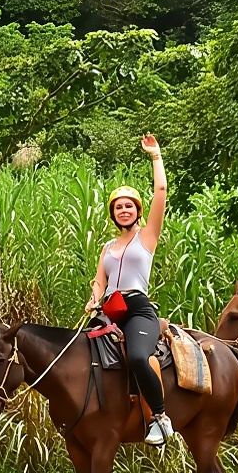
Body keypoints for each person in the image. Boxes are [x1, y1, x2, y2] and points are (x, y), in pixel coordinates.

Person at [85, 134, 172, 445]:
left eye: (129, 206)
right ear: (113, 213)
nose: (124, 210)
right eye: (118, 207)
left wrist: (155, 156)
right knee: (81, 353)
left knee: (137, 357)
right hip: (110, 310)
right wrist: (94, 300)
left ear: (137, 210)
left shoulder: (147, 237)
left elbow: (161, 190)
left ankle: (160, 418)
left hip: (137, 310)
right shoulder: (107, 246)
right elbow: (100, 281)